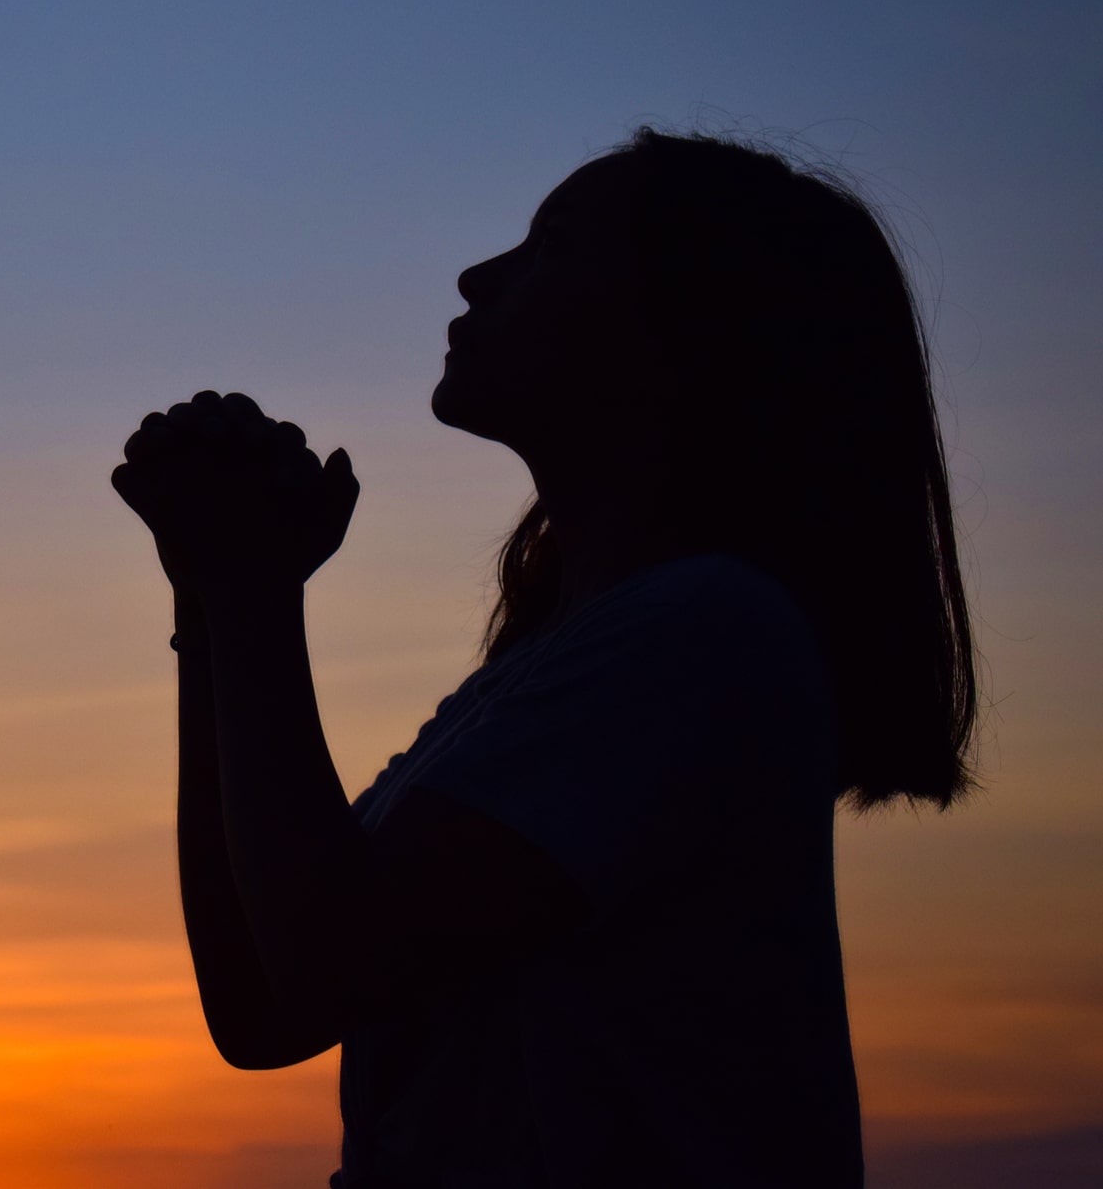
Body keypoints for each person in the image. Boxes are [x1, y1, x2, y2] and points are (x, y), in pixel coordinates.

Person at [110, 128, 979, 1187]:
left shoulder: (703, 636)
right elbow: (263, 1003)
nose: (481, 276)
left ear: (685, 329)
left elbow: (328, 955)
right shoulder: (559, 672)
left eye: (553, 244)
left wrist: (244, 592)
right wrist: (213, 602)